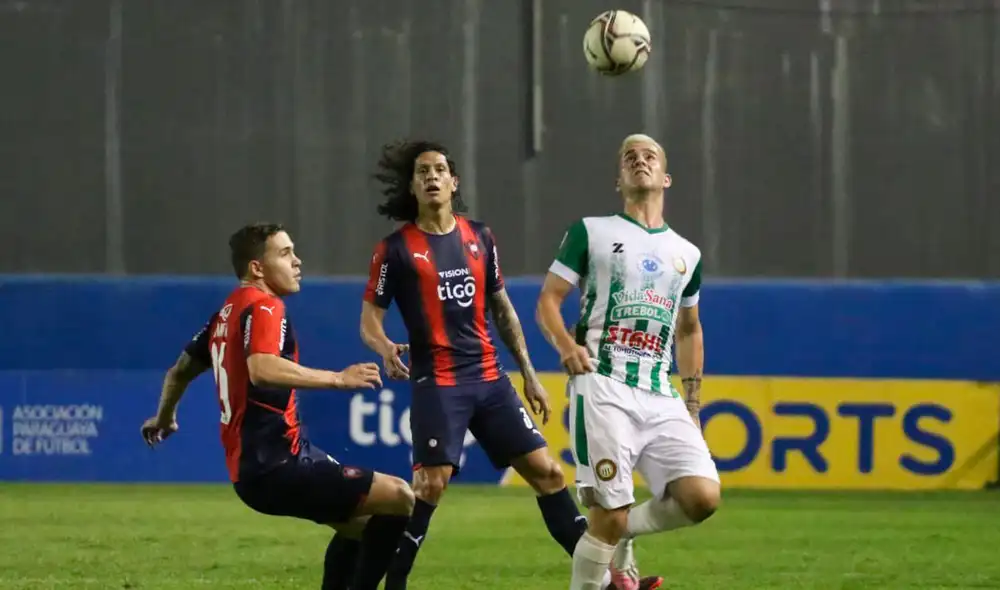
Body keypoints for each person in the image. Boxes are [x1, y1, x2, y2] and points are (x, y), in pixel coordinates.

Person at [360, 140, 662, 590]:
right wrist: (384, 346)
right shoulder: (396, 249)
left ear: (454, 181)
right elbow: (370, 319)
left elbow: (502, 310)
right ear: (412, 186)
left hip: (489, 378)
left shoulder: (479, 237)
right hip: (439, 381)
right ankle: (394, 583)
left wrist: (530, 375)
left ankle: (607, 581)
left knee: (549, 473)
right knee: (431, 486)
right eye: (423, 171)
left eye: (440, 169)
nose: (432, 176)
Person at [140, 223, 414, 590]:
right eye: (285, 254)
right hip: (277, 464)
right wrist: (338, 378)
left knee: (364, 530)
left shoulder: (226, 314)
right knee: (400, 497)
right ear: (257, 268)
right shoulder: (265, 305)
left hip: (259, 467)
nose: (297, 261)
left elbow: (178, 372)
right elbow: (262, 368)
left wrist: (164, 417)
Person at [536, 134, 722, 590]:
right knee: (607, 514)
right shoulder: (591, 231)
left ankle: (626, 535)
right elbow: (548, 302)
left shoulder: (687, 253)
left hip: (660, 392)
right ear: (619, 180)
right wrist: (564, 345)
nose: (640, 160)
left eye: (650, 156)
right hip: (602, 383)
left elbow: (689, 329)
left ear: (666, 178)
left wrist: (693, 404)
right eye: (629, 157)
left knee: (701, 497)